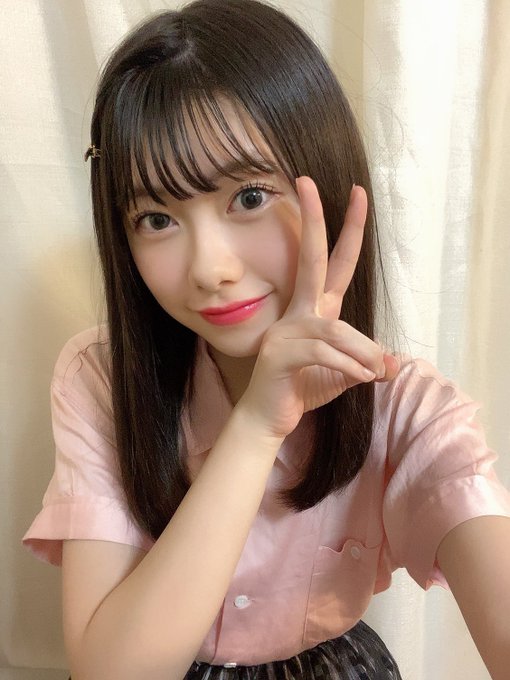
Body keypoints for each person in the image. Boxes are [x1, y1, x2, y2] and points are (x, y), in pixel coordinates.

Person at [23, 1, 510, 678]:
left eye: (249, 197)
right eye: (157, 218)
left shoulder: (406, 410)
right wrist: (256, 424)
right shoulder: (101, 379)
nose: (209, 269)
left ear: (329, 185)